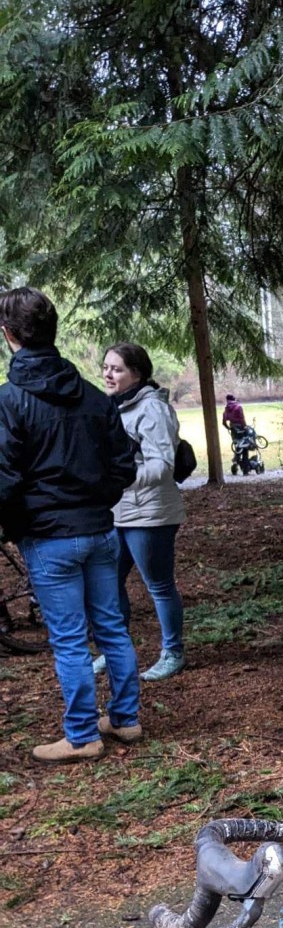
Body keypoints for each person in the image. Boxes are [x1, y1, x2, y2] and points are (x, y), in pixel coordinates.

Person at [0, 287, 142, 762]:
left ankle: (83, 734)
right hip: (98, 531)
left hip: (51, 537)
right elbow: (124, 465)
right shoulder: (93, 397)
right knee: (111, 628)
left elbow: (3, 478)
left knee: (70, 639)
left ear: (10, 336)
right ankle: (125, 719)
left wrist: (18, 525)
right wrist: (97, 501)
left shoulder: (9, 400)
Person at [96, 343, 186, 681]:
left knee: (159, 585)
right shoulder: (114, 407)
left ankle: (173, 652)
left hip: (151, 514)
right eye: (105, 367)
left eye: (117, 369)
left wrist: (116, 481)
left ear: (137, 373)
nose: (108, 374)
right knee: (109, 582)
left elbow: (162, 466)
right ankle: (113, 650)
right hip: (117, 511)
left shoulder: (152, 410)